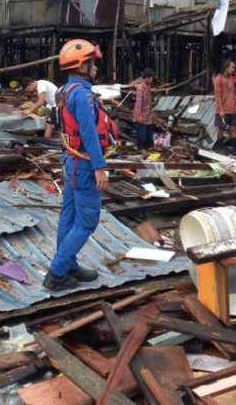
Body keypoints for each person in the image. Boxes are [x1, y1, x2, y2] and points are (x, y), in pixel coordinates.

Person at [45, 39, 118, 292]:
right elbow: (88, 133)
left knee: (69, 215)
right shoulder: (83, 94)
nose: (95, 67)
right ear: (81, 66)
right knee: (87, 220)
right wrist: (99, 167)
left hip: (70, 160)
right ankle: (57, 273)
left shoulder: (64, 91)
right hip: (84, 164)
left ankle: (68, 265)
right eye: (92, 63)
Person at [214, 59, 236, 154]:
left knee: (233, 127)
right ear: (226, 68)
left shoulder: (231, 78)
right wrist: (221, 110)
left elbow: (232, 92)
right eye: (232, 67)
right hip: (222, 109)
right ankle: (220, 148)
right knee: (221, 128)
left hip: (232, 109)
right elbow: (217, 96)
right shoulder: (218, 79)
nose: (234, 69)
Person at [133, 68, 155, 151]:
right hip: (141, 113)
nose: (152, 80)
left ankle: (149, 147)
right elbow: (139, 102)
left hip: (148, 113)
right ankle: (141, 148)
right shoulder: (140, 88)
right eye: (151, 78)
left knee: (149, 131)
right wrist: (138, 115)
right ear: (147, 78)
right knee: (141, 132)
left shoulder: (148, 86)